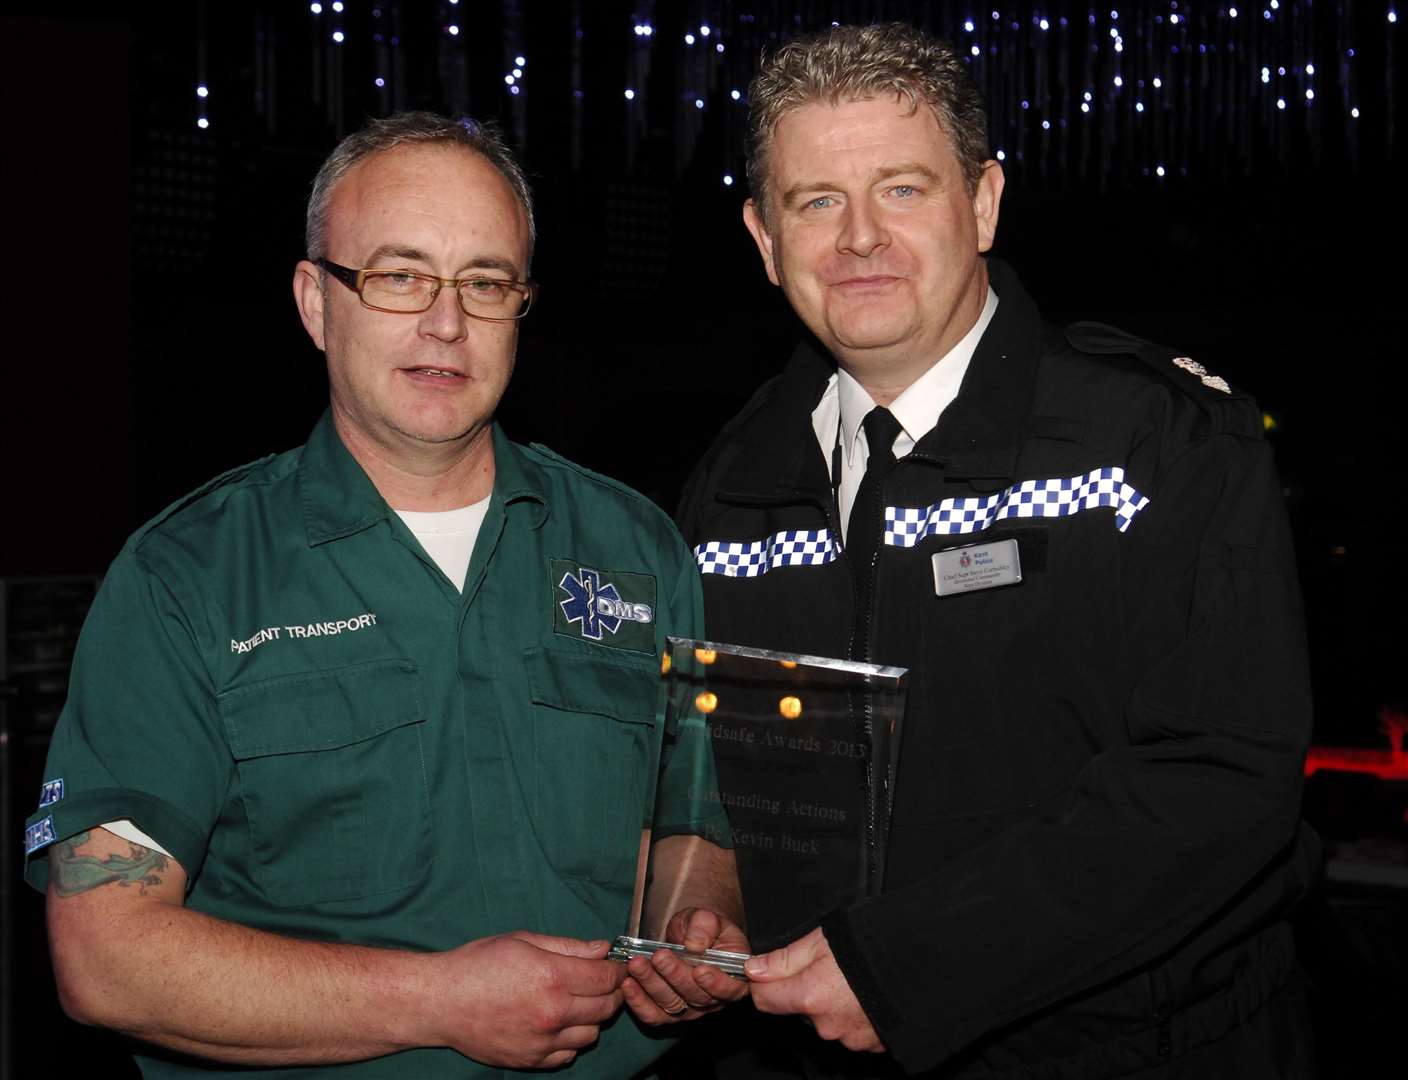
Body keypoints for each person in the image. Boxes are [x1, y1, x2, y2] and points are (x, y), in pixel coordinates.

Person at [23, 111, 746, 1078]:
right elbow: (104, 957)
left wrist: (695, 928)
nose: (446, 322)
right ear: (316, 303)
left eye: (485, 283)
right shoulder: (187, 575)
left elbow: (692, 819)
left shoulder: (637, 549)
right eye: (400, 276)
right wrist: (439, 1002)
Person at [676, 23, 1318, 1079]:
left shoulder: (1155, 441)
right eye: (816, 201)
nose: (860, 239)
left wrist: (908, 967)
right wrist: (704, 908)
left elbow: (1221, 777)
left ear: (981, 204)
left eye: (902, 189)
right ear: (762, 237)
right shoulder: (731, 482)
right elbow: (714, 773)